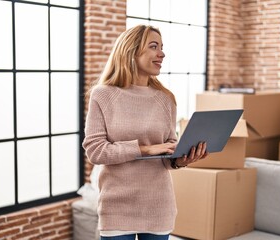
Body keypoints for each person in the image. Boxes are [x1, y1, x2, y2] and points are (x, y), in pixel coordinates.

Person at [82, 25, 209, 240]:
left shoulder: (165, 98)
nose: (162, 53)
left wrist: (182, 159)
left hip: (158, 204)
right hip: (117, 206)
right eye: (153, 46)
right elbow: (95, 151)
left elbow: (167, 153)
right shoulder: (102, 95)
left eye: (162, 47)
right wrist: (145, 149)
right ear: (131, 50)